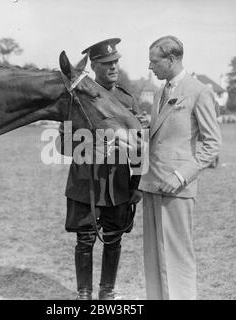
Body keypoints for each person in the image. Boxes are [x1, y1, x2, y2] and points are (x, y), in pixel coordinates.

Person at [57, 38, 142, 300]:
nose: (114, 67)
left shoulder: (127, 99)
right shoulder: (78, 94)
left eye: (116, 61)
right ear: (93, 66)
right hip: (86, 182)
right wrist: (89, 146)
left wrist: (136, 185)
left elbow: (139, 146)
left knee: (114, 238)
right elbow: (62, 143)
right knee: (84, 240)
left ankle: (107, 292)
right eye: (107, 63)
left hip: (118, 182)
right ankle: (84, 294)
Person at [138, 36, 221, 300]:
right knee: (154, 260)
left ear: (171, 60)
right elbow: (160, 136)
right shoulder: (160, 93)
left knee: (178, 260)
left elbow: (212, 145)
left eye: (154, 61)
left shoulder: (199, 91)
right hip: (151, 185)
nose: (150, 67)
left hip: (177, 188)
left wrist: (180, 175)